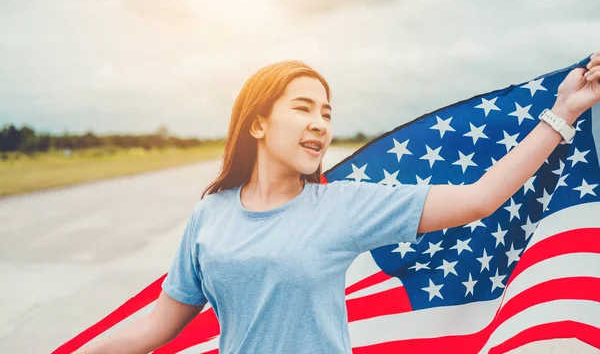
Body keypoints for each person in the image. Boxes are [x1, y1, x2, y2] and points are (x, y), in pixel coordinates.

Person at [76, 53, 600, 353]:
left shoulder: (344, 207)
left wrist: (561, 114)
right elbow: (157, 326)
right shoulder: (210, 214)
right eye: (302, 107)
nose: (320, 124)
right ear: (257, 123)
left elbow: (478, 199)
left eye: (326, 113)